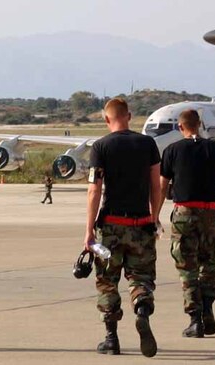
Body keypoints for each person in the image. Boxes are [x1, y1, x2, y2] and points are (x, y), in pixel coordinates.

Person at [83, 98, 161, 358]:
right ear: (129, 115)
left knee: (107, 281)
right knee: (141, 278)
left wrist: (89, 231)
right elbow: (156, 185)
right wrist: (155, 217)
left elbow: (94, 190)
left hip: (111, 226)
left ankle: (111, 338)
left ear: (107, 119)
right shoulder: (147, 144)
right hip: (141, 223)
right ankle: (141, 309)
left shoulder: (101, 146)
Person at [158, 109, 215, 338]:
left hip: (184, 213)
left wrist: (154, 216)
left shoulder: (172, 150)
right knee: (208, 264)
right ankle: (209, 312)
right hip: (211, 213)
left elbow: (163, 186)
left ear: (180, 127)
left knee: (186, 266)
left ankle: (195, 319)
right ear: (199, 125)